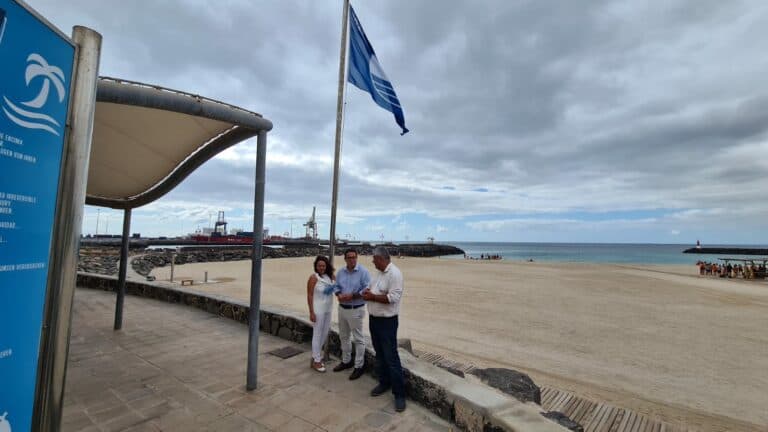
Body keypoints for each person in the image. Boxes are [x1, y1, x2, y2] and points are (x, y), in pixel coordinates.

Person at [362, 246, 406, 412]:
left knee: (391, 357)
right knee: (380, 355)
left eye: (374, 259)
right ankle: (384, 383)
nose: (373, 262)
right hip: (374, 320)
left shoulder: (395, 274)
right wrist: (368, 292)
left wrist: (372, 296)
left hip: (387, 323)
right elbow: (374, 290)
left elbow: (393, 298)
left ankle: (400, 394)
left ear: (381, 258)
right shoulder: (379, 273)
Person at [333, 248, 370, 380]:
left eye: (354, 257)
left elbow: (367, 289)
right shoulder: (341, 272)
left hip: (356, 309)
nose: (352, 259)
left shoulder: (363, 272)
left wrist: (352, 296)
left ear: (357, 257)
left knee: (359, 339)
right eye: (349, 257)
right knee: (344, 336)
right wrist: (339, 294)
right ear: (345, 259)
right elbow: (336, 286)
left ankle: (359, 366)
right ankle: (346, 361)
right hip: (342, 308)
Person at [307, 255, 335, 372]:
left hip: (328, 308)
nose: (321, 267)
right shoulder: (314, 278)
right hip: (318, 309)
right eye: (319, 265)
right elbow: (310, 295)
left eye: (323, 265)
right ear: (316, 266)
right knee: (317, 334)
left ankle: (315, 357)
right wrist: (311, 312)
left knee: (324, 334)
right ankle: (317, 361)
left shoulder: (329, 276)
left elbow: (339, 284)